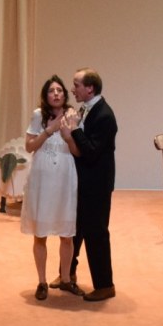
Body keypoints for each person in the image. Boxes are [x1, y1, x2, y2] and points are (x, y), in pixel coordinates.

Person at [20, 75, 80, 300]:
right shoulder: (38, 115)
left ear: (65, 94)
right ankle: (42, 281)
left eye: (59, 90)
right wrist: (50, 130)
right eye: (51, 91)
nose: (56, 94)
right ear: (45, 96)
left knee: (67, 234)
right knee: (40, 234)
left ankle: (65, 279)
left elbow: (77, 152)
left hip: (65, 176)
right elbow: (29, 147)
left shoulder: (73, 115)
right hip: (42, 177)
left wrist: (68, 135)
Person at [63, 67, 117, 301]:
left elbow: (92, 152)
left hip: (97, 185)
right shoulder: (86, 109)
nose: (72, 89)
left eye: (76, 85)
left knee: (96, 234)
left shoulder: (105, 116)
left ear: (90, 88)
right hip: (83, 181)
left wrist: (74, 129)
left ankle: (105, 285)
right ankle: (67, 274)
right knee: (75, 229)